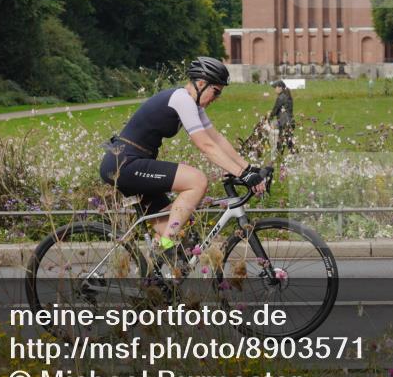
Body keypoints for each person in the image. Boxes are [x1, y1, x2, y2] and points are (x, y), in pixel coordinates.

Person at [99, 56, 267, 259]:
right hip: (124, 163)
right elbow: (205, 145)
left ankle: (162, 276)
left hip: (133, 164)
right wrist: (241, 173)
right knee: (197, 181)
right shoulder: (182, 99)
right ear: (201, 83)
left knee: (179, 240)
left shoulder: (192, 104)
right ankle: (165, 245)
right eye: (216, 92)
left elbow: (217, 139)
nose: (216, 98)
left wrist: (249, 169)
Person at [269, 80, 295, 154]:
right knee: (288, 143)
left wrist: (269, 117)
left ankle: (279, 159)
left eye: (275, 87)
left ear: (280, 88)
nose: (274, 89)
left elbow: (275, 110)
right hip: (290, 122)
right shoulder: (288, 96)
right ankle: (282, 159)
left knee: (283, 143)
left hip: (284, 123)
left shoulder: (281, 97)